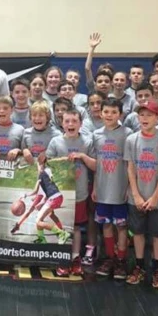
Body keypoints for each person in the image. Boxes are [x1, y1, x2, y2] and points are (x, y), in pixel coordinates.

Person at [125, 100, 158, 287]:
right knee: (137, 232)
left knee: (157, 234)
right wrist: (136, 195)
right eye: (141, 115)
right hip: (136, 197)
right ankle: (139, 266)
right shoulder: (132, 139)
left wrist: (155, 196)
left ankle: (157, 269)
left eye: (149, 115)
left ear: (157, 118)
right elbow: (130, 169)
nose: (144, 118)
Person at [45, 108, 96, 276]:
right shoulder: (55, 142)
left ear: (81, 123)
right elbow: (48, 165)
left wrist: (82, 156)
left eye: (74, 121)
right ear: (61, 123)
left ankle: (75, 258)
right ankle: (62, 258)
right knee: (61, 226)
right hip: (60, 193)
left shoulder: (88, 142)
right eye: (67, 121)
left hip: (80, 192)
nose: (70, 124)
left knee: (75, 227)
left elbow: (96, 166)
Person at [92, 99, 132, 278]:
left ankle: (121, 261)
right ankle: (109, 257)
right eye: (106, 111)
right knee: (106, 224)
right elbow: (97, 164)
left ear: (120, 114)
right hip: (102, 188)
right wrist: (94, 187)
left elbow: (131, 164)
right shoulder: (96, 134)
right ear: (100, 113)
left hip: (120, 188)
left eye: (113, 112)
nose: (109, 115)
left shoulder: (127, 134)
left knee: (122, 226)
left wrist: (129, 187)